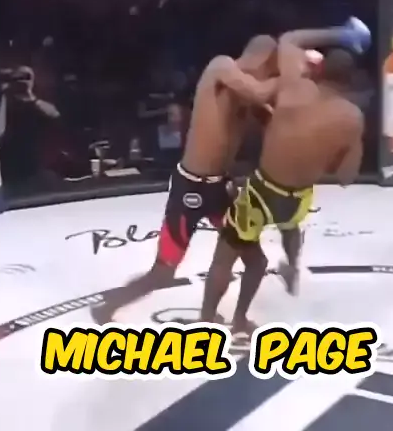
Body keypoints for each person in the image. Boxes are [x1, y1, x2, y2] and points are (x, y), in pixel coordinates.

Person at [91, 35, 280, 325]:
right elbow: (259, 92)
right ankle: (108, 306)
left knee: (256, 262)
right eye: (273, 68)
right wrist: (293, 77)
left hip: (220, 189)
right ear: (264, 61)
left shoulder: (248, 96)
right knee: (163, 272)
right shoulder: (222, 67)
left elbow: (276, 119)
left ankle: (232, 318)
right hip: (189, 188)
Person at [200, 17, 371, 334]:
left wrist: (343, 34)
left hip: (262, 191)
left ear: (319, 70)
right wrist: (335, 151)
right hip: (296, 199)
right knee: (291, 226)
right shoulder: (352, 117)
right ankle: (282, 276)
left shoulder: (294, 86)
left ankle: (206, 321)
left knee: (226, 257)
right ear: (350, 82)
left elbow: (290, 39)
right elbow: (347, 177)